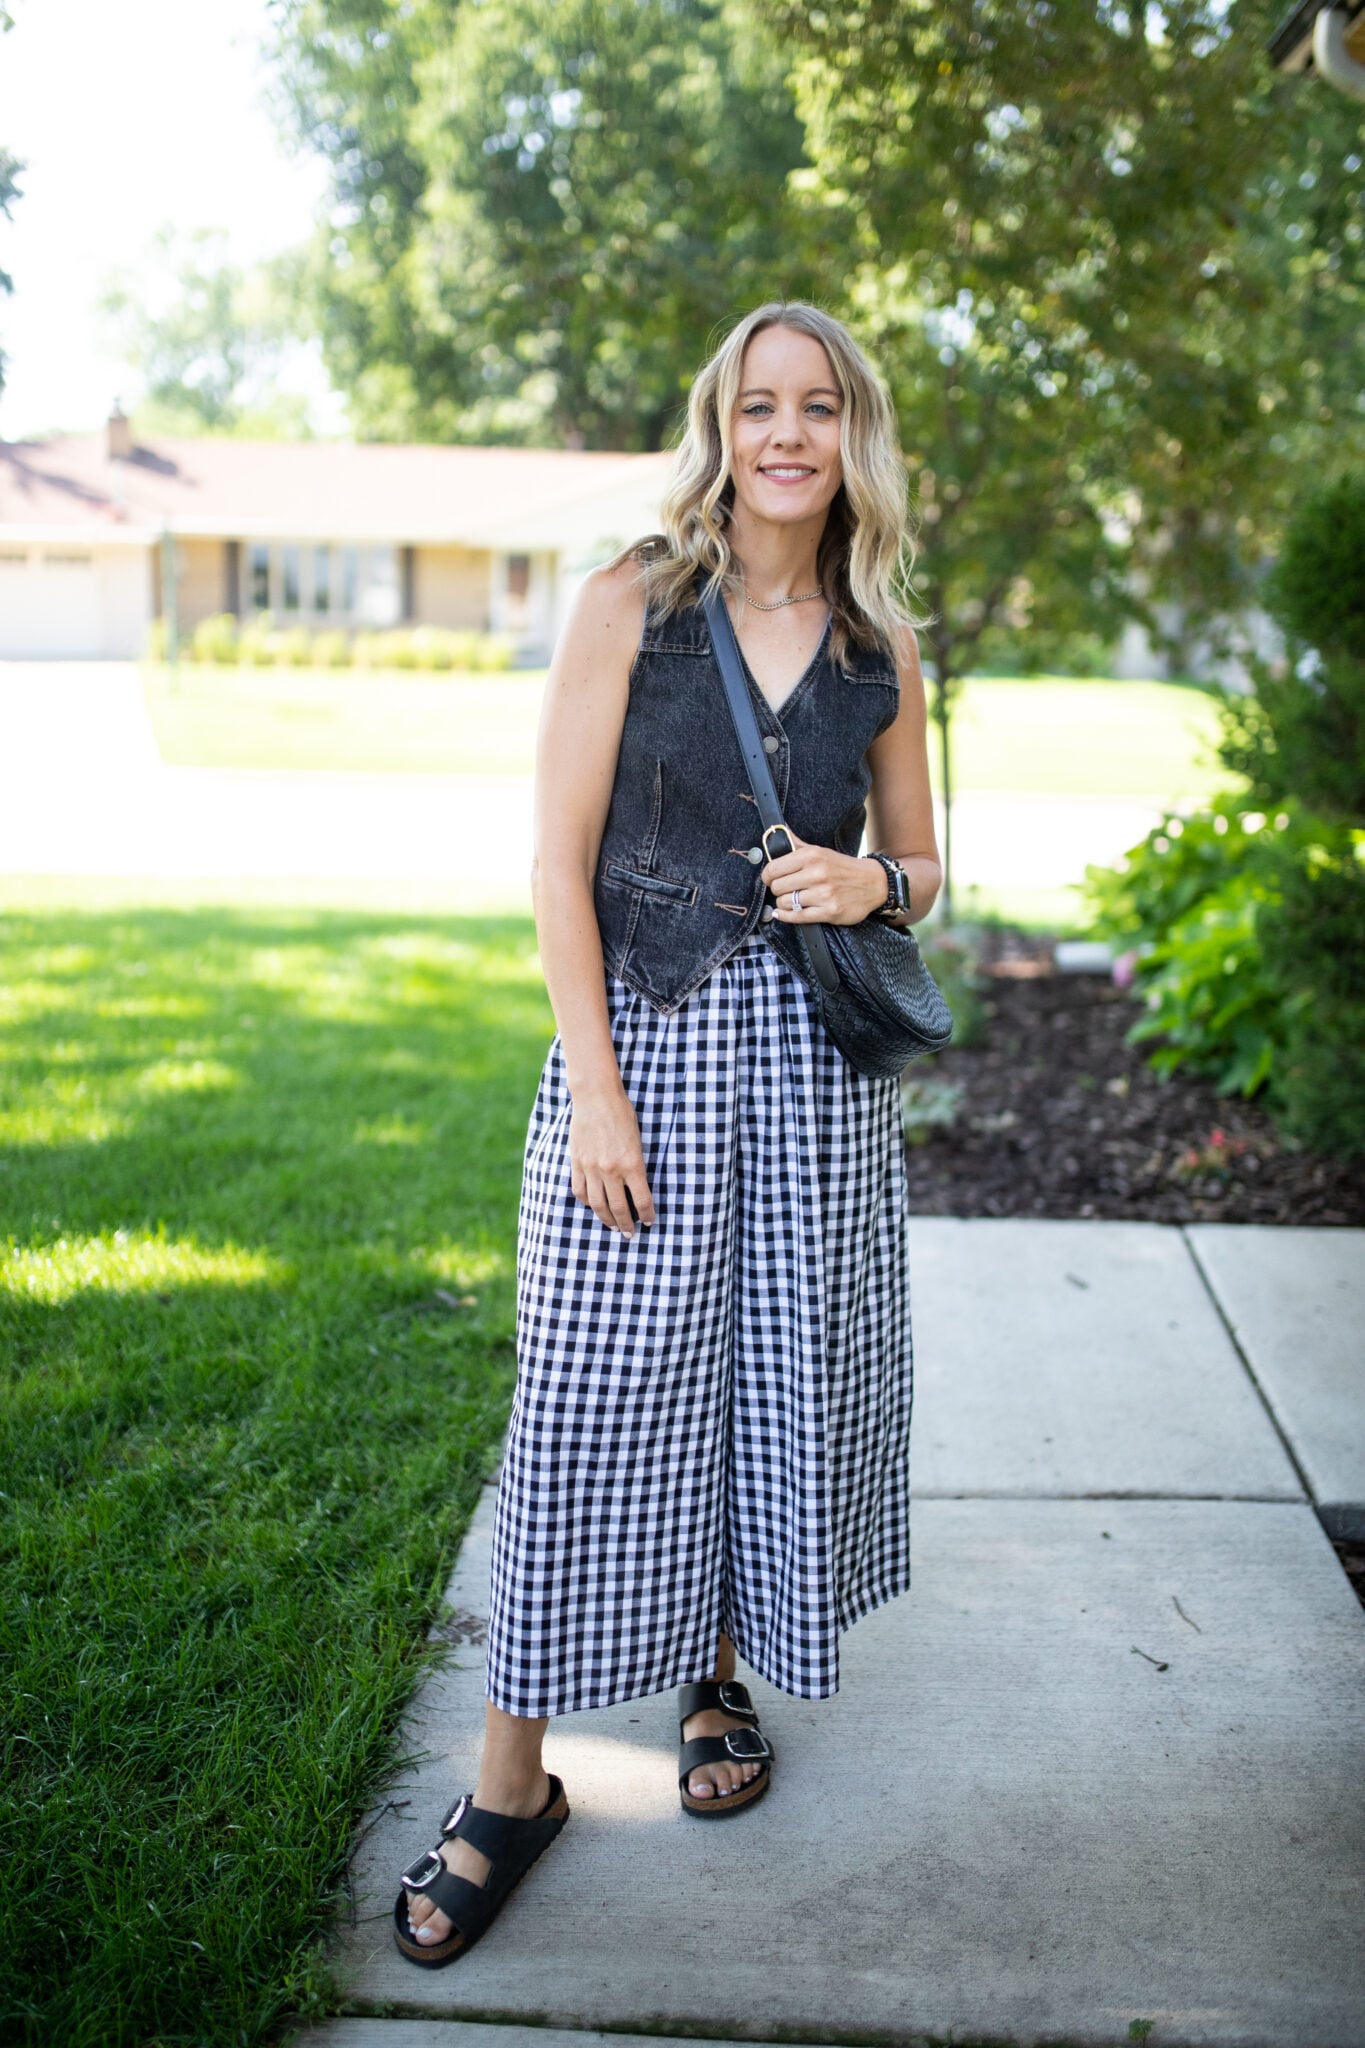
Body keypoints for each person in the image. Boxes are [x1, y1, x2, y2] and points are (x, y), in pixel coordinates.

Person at [393, 299, 942, 1968]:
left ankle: (714, 1681)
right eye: (759, 404)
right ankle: (512, 1784)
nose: (787, 434)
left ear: (853, 435)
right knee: (587, 1402)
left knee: (766, 1382)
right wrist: (596, 1089)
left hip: (812, 1079)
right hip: (644, 1053)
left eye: (818, 406)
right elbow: (555, 866)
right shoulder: (631, 600)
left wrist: (872, 879)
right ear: (722, 425)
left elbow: (926, 868)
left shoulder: (880, 641)